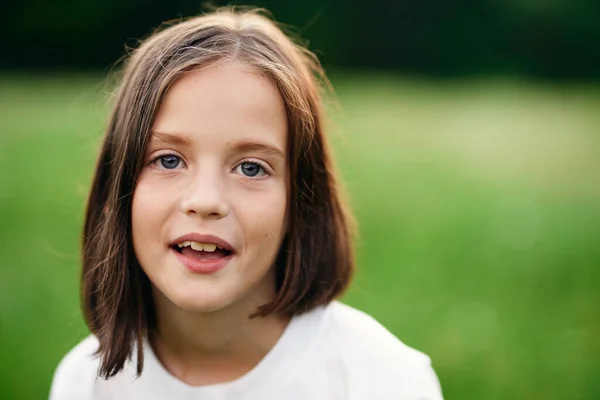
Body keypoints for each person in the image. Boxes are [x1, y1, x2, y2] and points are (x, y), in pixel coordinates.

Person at [49, 8, 443, 400]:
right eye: (168, 160)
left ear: (301, 201)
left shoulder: (385, 382)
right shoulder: (85, 383)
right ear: (117, 190)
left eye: (251, 168)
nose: (206, 201)